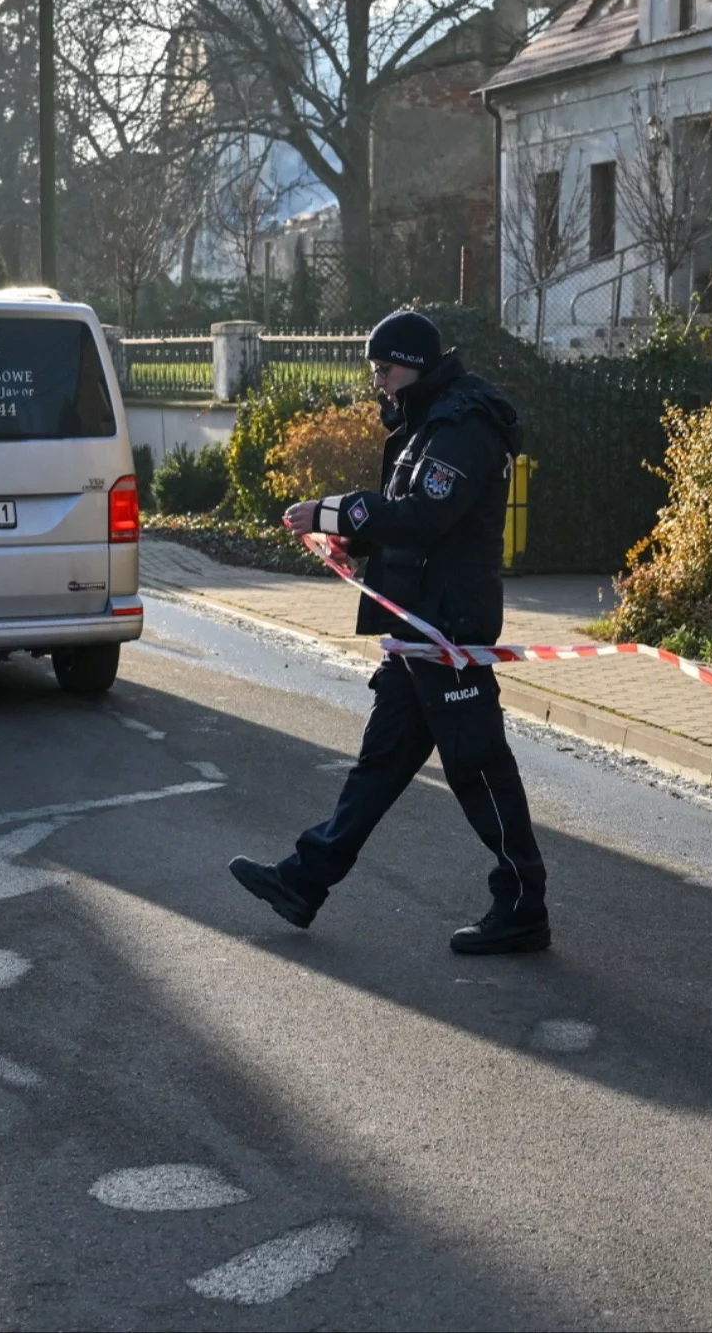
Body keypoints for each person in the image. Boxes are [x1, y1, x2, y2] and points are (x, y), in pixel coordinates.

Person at [228, 309, 550, 954]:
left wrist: (336, 508)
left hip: (447, 623)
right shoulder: (429, 419)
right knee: (382, 763)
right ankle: (304, 879)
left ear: (418, 364)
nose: (380, 383)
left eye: (386, 369)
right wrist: (353, 538)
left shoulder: (462, 425)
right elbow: (407, 520)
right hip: (421, 621)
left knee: (479, 768)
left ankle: (521, 905)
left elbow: (429, 513)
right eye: (375, 370)